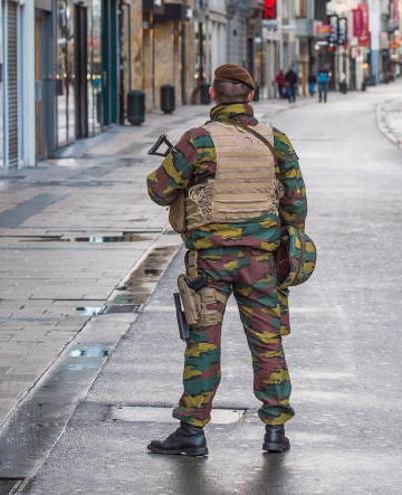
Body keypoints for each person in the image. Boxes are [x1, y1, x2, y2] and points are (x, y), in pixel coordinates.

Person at [146, 64, 307, 456]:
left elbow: (159, 189)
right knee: (268, 343)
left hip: (210, 265)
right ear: (250, 96)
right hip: (262, 263)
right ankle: (275, 430)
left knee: (203, 344)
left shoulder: (198, 141)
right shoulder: (276, 141)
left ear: (213, 95)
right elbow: (296, 205)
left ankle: (193, 431)